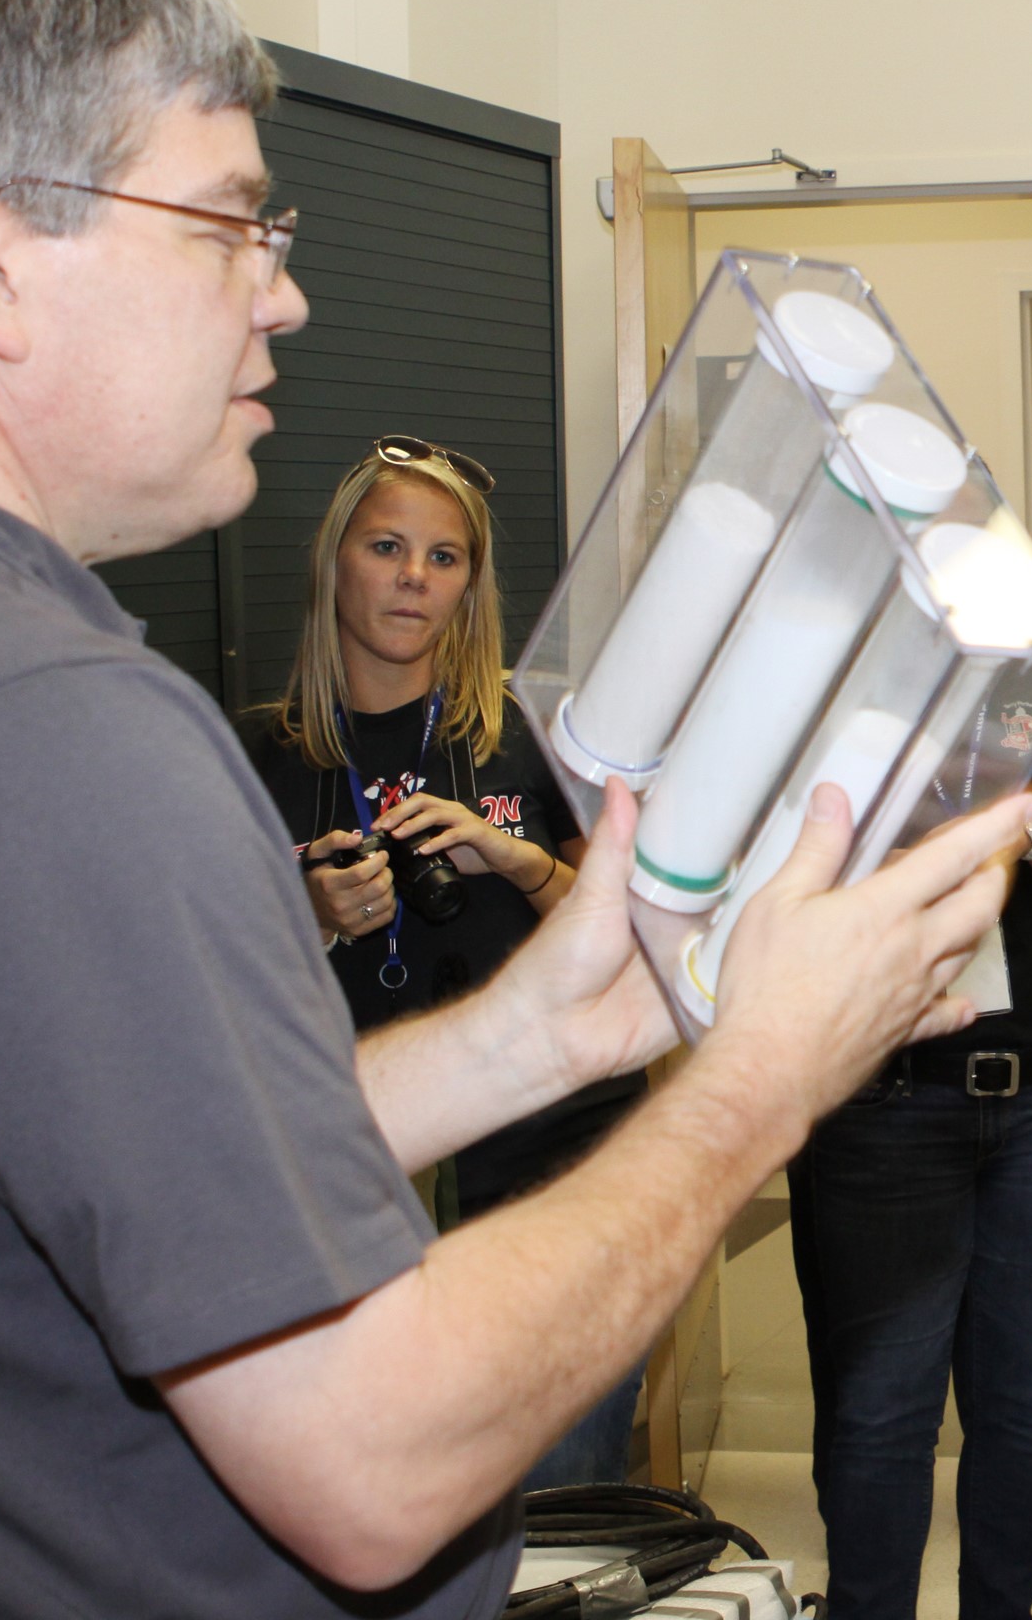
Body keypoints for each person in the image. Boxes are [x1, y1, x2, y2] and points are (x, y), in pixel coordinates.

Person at [0, 0, 1028, 1615]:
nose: (284, 295)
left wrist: (541, 1032)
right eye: (227, 226)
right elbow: (372, 1463)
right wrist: (760, 1084)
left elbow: (148, 1164)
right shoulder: (53, 733)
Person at [238, 441, 651, 1488]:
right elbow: (205, 985)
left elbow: (636, 943)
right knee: (381, 1488)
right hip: (351, 1172)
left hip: (550, 1161)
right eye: (387, 547)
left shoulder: (534, 735)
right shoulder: (254, 754)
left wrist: (518, 862)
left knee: (561, 1500)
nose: (414, 578)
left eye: (444, 556)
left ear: (471, 584)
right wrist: (311, 916)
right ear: (336, 560)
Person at [787, 664, 1032, 1620]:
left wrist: (1026, 829)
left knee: (1024, 1410)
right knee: (884, 1410)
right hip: (889, 1099)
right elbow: (766, 886)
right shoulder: (839, 681)